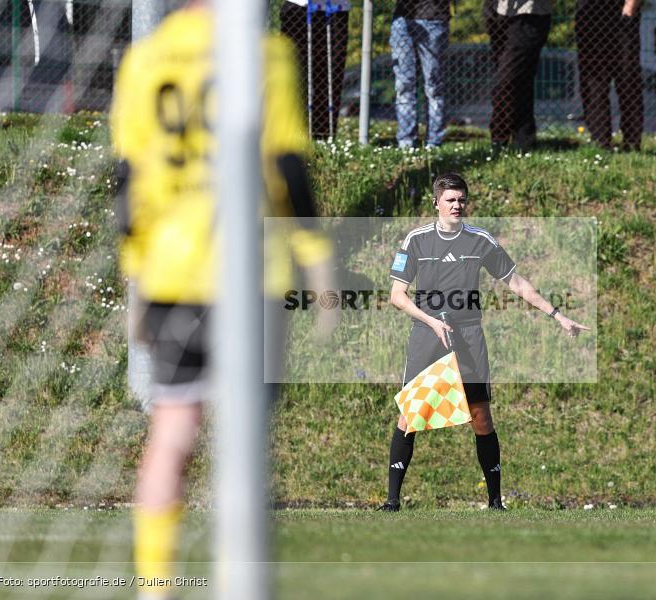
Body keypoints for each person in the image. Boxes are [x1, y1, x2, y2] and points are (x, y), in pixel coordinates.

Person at [111, 2, 334, 599]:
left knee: (172, 432)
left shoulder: (144, 59)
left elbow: (131, 182)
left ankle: (155, 589)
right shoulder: (264, 53)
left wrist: (135, 276)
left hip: (170, 274)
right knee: (248, 441)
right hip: (249, 274)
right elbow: (285, 165)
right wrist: (316, 256)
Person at [378, 173, 589, 512]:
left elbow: (517, 283)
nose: (456, 205)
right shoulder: (416, 240)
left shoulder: (480, 241)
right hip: (427, 332)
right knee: (410, 412)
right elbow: (397, 296)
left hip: (468, 334)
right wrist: (431, 321)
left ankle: (495, 502)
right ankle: (391, 502)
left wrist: (558, 315)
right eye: (450, 200)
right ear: (436, 203)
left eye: (461, 199)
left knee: (481, 416)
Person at [575, 0, 644, 152]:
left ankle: (632, 142)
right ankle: (600, 142)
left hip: (621, 14)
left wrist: (630, 6)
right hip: (589, 16)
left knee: (628, 79)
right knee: (593, 84)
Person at [484, 0, 552, 151]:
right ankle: (524, 140)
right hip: (497, 13)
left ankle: (499, 138)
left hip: (531, 15)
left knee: (506, 81)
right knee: (521, 81)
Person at [280, 0, 350, 139]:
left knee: (330, 78)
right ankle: (291, 133)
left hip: (336, 9)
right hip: (299, 8)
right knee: (295, 76)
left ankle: (322, 136)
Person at [390, 0, 451, 148]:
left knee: (434, 87)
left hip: (433, 18)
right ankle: (406, 142)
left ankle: (434, 142)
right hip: (402, 21)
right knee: (404, 85)